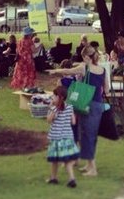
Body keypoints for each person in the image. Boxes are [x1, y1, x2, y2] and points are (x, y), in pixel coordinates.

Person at [47, 45, 109, 177]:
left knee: (87, 137)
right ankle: (88, 165)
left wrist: (54, 71)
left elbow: (68, 71)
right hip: (98, 105)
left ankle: (93, 169)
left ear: (87, 57)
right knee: (87, 135)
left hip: (86, 104)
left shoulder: (84, 67)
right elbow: (107, 90)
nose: (82, 59)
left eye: (82, 57)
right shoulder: (103, 69)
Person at [46, 85, 79, 188]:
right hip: (68, 138)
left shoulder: (55, 109)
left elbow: (49, 120)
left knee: (54, 160)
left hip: (57, 138)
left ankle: (53, 178)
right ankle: (72, 179)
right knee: (68, 161)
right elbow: (73, 122)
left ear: (59, 97)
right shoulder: (69, 107)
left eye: (53, 96)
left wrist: (51, 108)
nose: (52, 98)